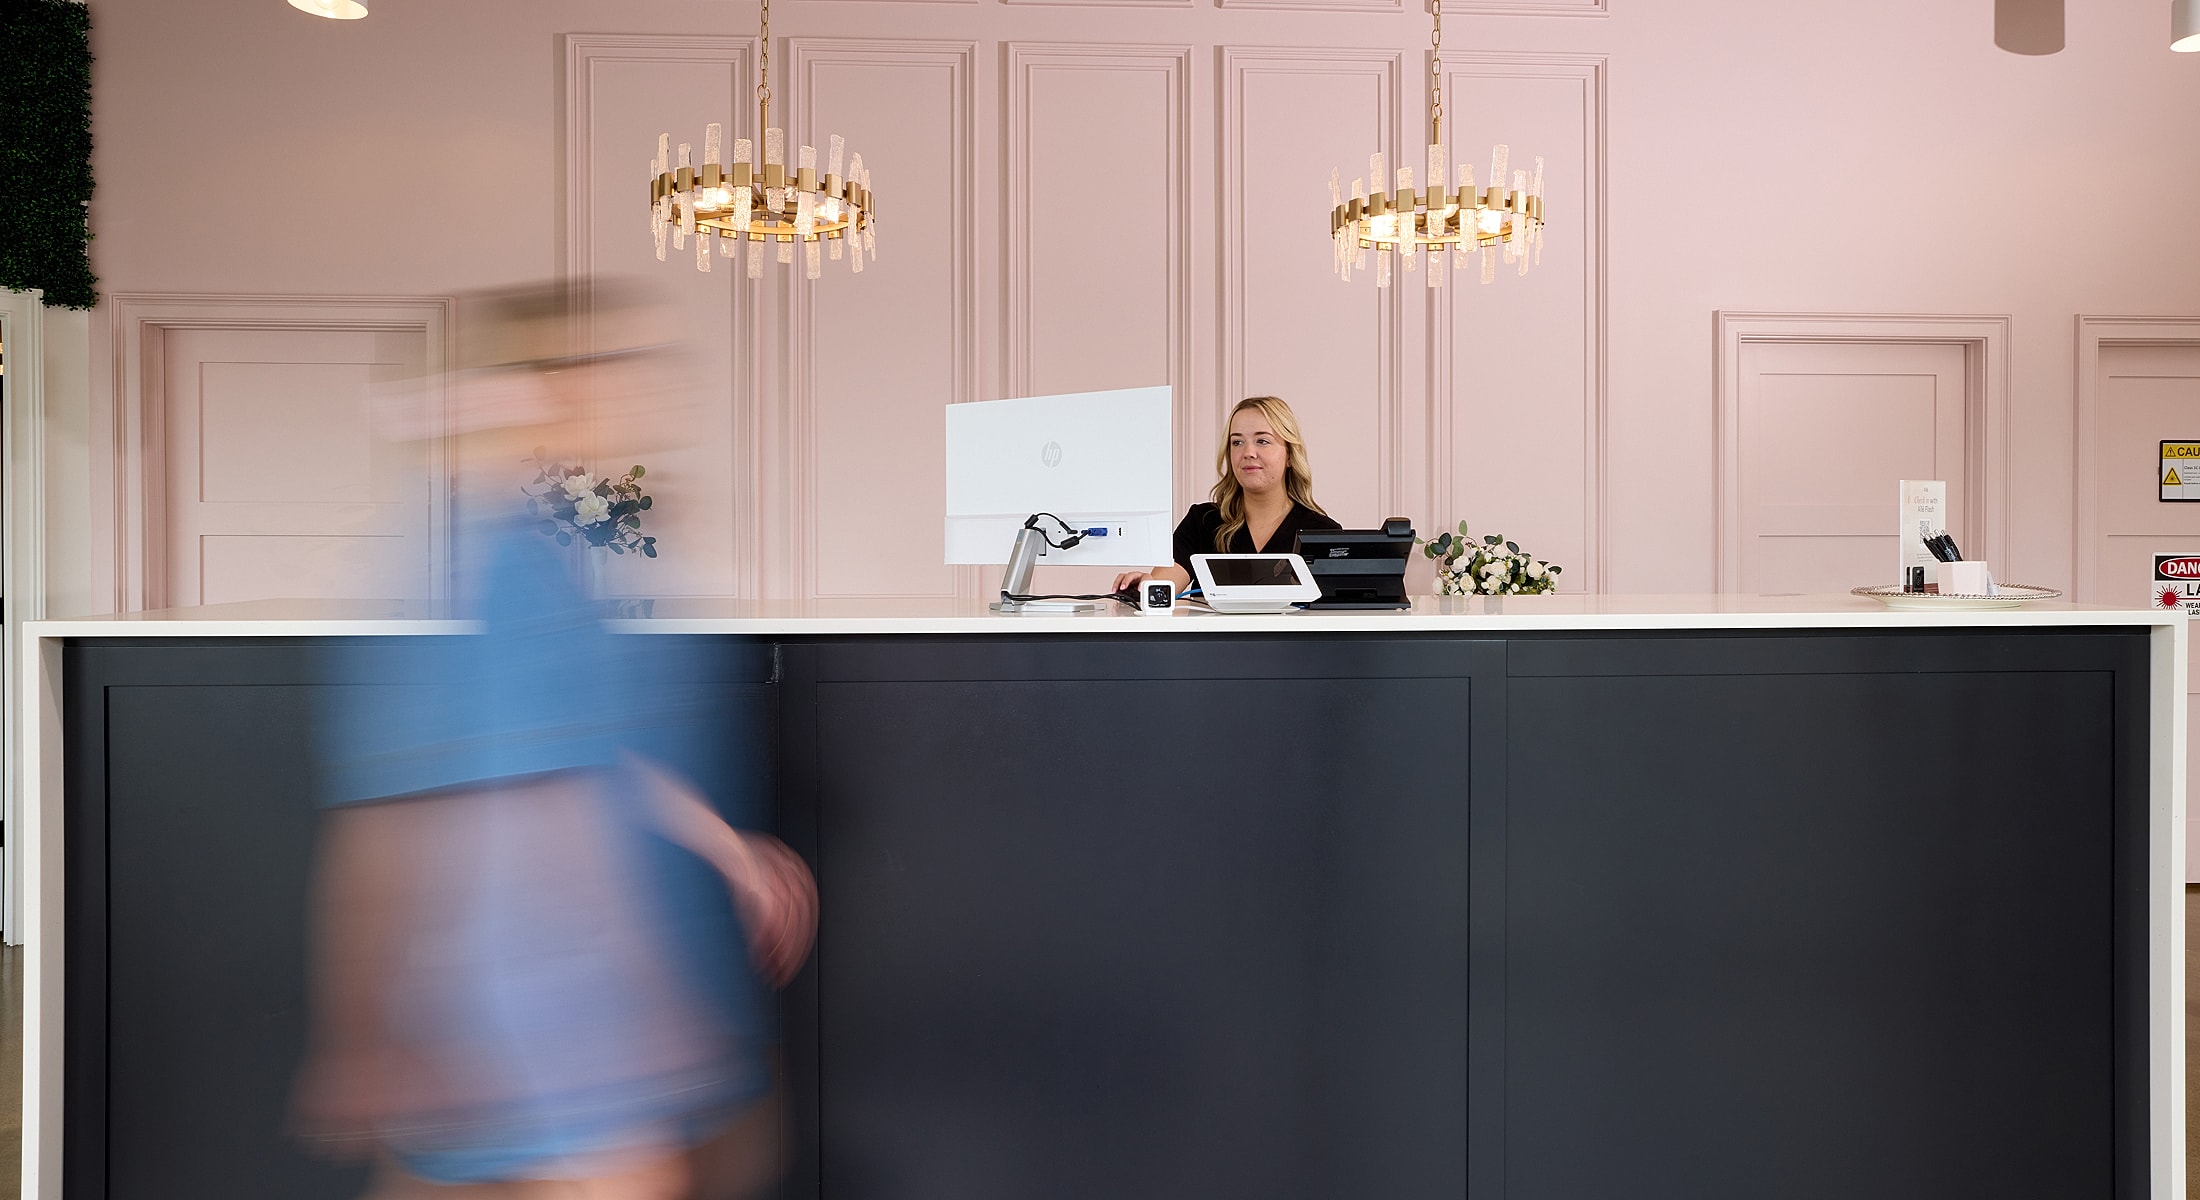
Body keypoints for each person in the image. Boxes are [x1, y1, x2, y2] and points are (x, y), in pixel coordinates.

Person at [292, 281, 816, 1200]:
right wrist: (361, 1031)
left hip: (526, 999)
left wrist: (726, 851)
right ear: (546, 391)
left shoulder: (538, 550)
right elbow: (395, 814)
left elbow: (589, 746)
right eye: (616, 370)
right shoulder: (468, 562)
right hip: (540, 1000)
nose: (646, 397)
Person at [1114, 395, 1341, 595]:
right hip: (1210, 645)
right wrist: (1144, 584)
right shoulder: (1202, 521)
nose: (1248, 453)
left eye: (1262, 441)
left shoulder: (1323, 533)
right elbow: (1161, 586)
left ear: (1290, 455)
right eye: (1237, 442)